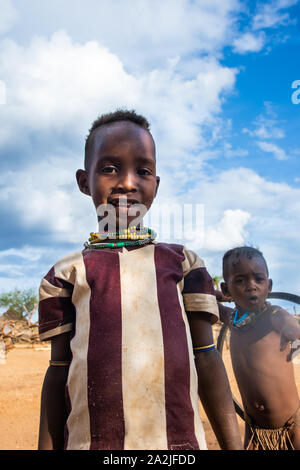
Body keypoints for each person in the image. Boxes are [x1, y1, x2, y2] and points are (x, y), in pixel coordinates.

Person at [37, 109, 242, 451]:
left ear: (156, 185)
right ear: (84, 181)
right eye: (109, 168)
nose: (128, 182)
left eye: (143, 171)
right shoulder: (65, 275)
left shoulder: (184, 265)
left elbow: (206, 356)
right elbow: (58, 371)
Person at [219, 246, 300, 450]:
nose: (251, 286)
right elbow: (204, 301)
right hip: (255, 431)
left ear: (269, 285)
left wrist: (295, 335)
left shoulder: (274, 315)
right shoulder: (232, 319)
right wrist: (217, 295)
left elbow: (291, 327)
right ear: (226, 289)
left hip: (292, 428)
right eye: (240, 280)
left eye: (258, 279)